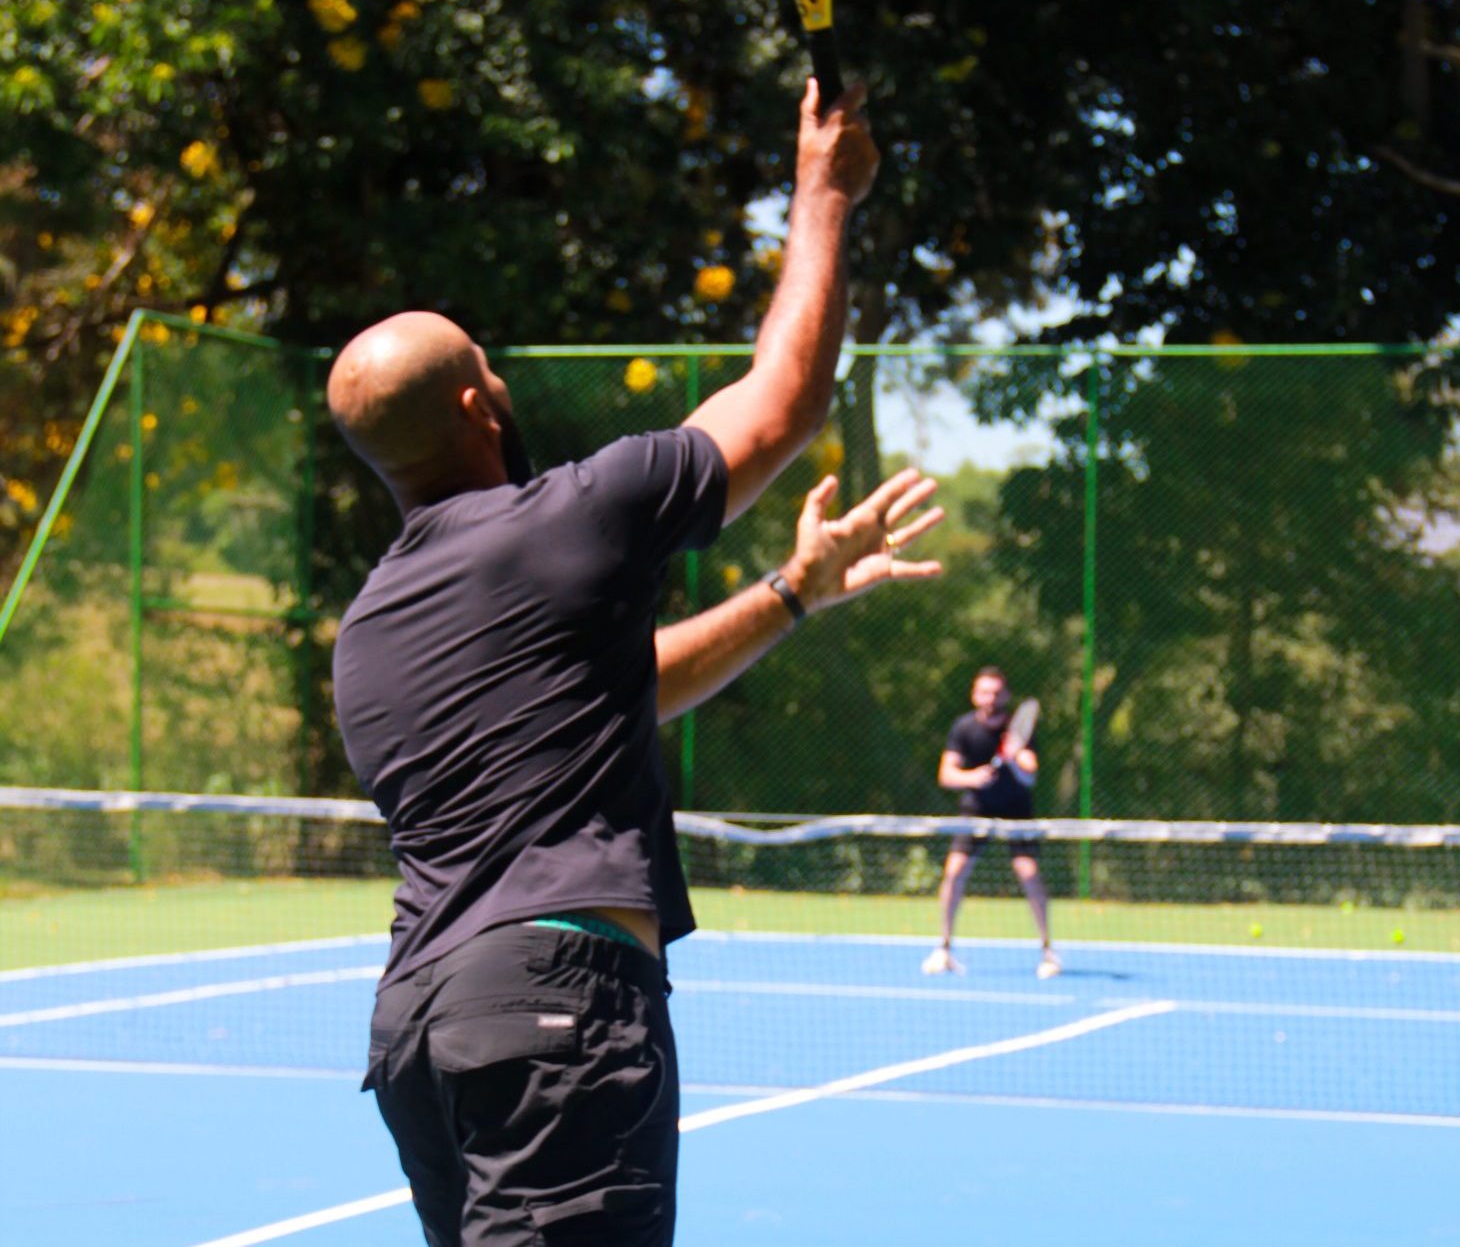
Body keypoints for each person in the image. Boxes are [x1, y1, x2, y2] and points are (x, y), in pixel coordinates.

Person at [329, 81, 944, 1247]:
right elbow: (783, 401)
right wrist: (822, 189)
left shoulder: (367, 631)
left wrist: (789, 594)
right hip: (558, 1001)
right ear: (478, 401)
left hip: (420, 1029)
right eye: (490, 367)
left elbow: (621, 692)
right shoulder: (569, 513)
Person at [922, 665, 1059, 980]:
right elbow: (946, 775)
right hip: (976, 809)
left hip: (1016, 810)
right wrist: (973, 777)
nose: (990, 698)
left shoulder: (1017, 729)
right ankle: (943, 949)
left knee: (1029, 873)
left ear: (1006, 695)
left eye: (996, 692)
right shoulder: (964, 728)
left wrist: (1014, 756)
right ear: (974, 694)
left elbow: (1030, 776)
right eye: (984, 692)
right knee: (954, 872)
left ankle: (1048, 951)